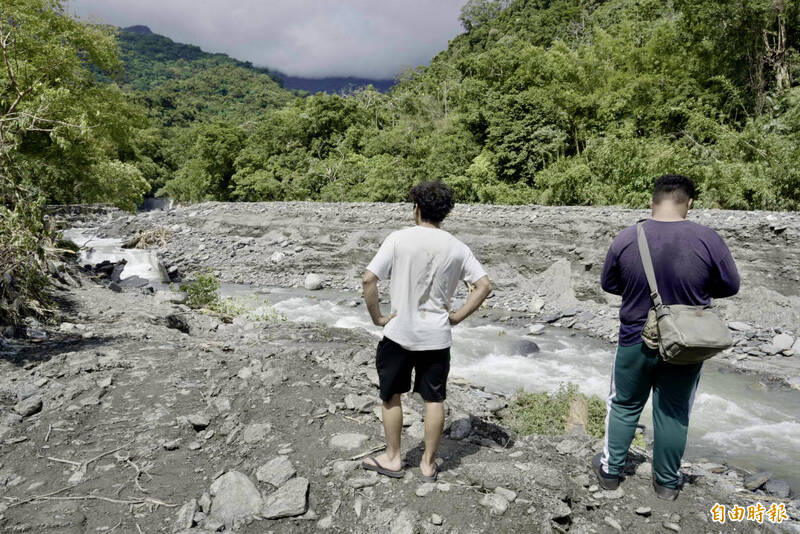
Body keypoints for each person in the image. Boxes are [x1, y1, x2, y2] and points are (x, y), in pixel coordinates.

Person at [595, 174, 740, 500]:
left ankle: (610, 473)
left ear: (652, 201)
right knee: (673, 411)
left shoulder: (627, 237)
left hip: (634, 338)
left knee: (624, 405)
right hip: (686, 342)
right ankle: (666, 484)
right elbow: (730, 285)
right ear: (689, 203)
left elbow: (609, 283)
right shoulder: (708, 239)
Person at [361, 181, 492, 481]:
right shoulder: (457, 246)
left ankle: (393, 458)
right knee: (434, 400)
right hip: (437, 336)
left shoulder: (398, 239)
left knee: (391, 396)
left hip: (399, 333)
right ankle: (427, 464)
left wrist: (378, 317)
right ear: (445, 213)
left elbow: (369, 279)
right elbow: (484, 285)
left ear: (417, 208)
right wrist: (456, 316)